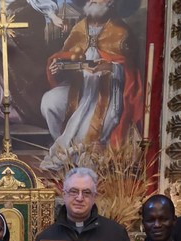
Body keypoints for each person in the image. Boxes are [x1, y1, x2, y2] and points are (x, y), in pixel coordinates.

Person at [39, 0, 143, 169]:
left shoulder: (121, 32)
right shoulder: (79, 28)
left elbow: (130, 69)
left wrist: (111, 66)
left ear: (111, 2)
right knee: (50, 102)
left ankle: (84, 153)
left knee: (87, 128)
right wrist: (58, 68)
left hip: (108, 92)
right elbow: (68, 58)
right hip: (79, 89)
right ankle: (64, 147)